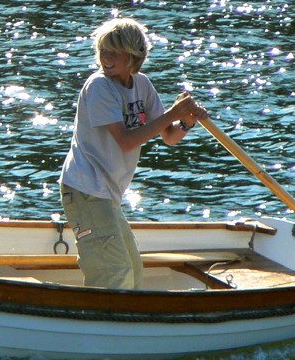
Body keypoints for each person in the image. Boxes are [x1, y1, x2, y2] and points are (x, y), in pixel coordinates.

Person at [59, 17, 208, 290]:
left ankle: (123, 325)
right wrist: (173, 113)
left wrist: (186, 121)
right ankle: (102, 326)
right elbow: (127, 142)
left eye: (114, 52)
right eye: (103, 50)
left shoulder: (142, 85)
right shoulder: (99, 87)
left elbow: (170, 136)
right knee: (114, 273)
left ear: (133, 55)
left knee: (133, 271)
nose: (106, 57)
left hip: (106, 194)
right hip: (86, 190)